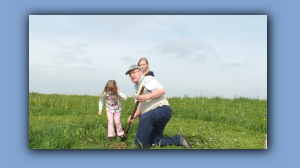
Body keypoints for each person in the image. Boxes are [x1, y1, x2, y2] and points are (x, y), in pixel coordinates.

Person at [125, 65, 191, 149]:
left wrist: (147, 96)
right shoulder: (137, 90)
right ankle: (179, 140)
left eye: (134, 72)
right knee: (154, 142)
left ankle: (140, 148)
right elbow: (140, 108)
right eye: (130, 74)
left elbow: (161, 90)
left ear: (141, 72)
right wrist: (133, 115)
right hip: (153, 115)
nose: (132, 75)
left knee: (145, 118)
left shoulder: (147, 79)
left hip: (162, 110)